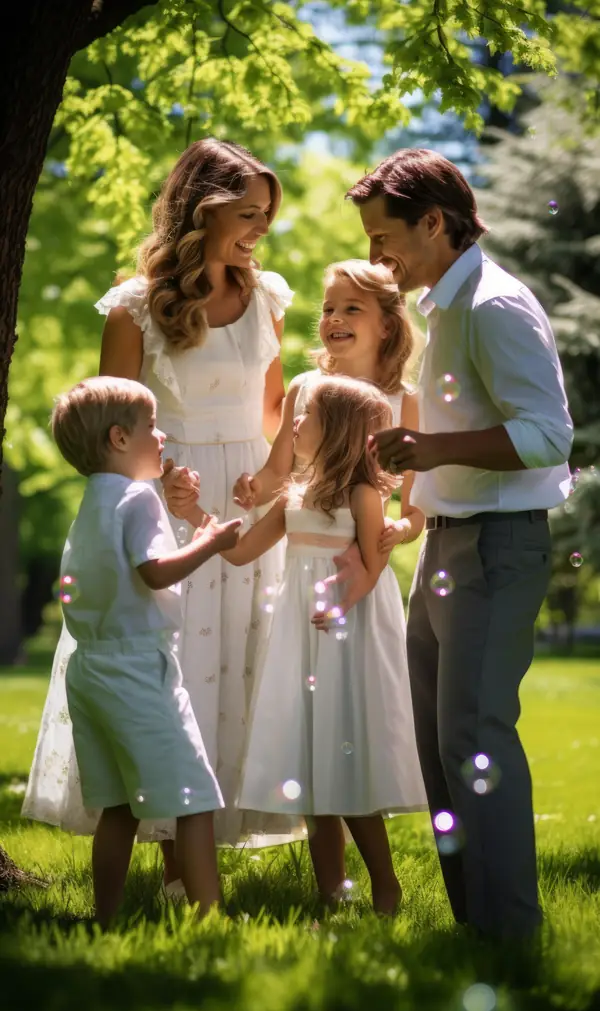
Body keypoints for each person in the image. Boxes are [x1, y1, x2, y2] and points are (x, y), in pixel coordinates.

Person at [23, 139, 302, 889]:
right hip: (169, 497)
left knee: (242, 662)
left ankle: (212, 844)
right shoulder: (136, 306)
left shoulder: (268, 295)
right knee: (177, 666)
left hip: (247, 494)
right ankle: (175, 858)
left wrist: (293, 471)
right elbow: (114, 424)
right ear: (200, 209)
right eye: (246, 213)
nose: (259, 229)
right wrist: (170, 484)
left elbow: (273, 410)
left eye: (266, 215)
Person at [339, 148, 573, 937]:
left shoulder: (495, 305)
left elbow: (547, 436)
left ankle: (509, 936)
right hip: (447, 545)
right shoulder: (445, 303)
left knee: (475, 742)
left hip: (497, 546)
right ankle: (476, 927)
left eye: (383, 237)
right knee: (444, 750)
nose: (377, 257)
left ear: (433, 222)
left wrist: (433, 450)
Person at [218, 376, 427, 914]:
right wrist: (201, 520)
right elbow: (239, 552)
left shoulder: (363, 495)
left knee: (343, 756)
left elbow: (375, 566)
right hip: (300, 634)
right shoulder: (294, 496)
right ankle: (331, 893)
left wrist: (355, 575)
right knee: (311, 768)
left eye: (305, 416)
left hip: (346, 634)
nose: (294, 423)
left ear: (335, 431)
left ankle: (385, 887)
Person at [49, 376, 242, 926]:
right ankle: (210, 920)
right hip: (138, 667)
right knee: (195, 797)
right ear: (118, 438)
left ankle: (106, 914)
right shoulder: (138, 497)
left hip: (90, 668)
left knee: (118, 806)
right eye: (152, 428)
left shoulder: (92, 501)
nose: (163, 437)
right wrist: (210, 541)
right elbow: (154, 571)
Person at [232, 259, 424, 557]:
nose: (334, 318)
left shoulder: (405, 402)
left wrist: (401, 529)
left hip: (361, 564)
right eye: (328, 309)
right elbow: (277, 472)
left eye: (352, 309)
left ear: (387, 325)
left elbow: (415, 509)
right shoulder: (304, 387)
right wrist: (254, 489)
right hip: (301, 553)